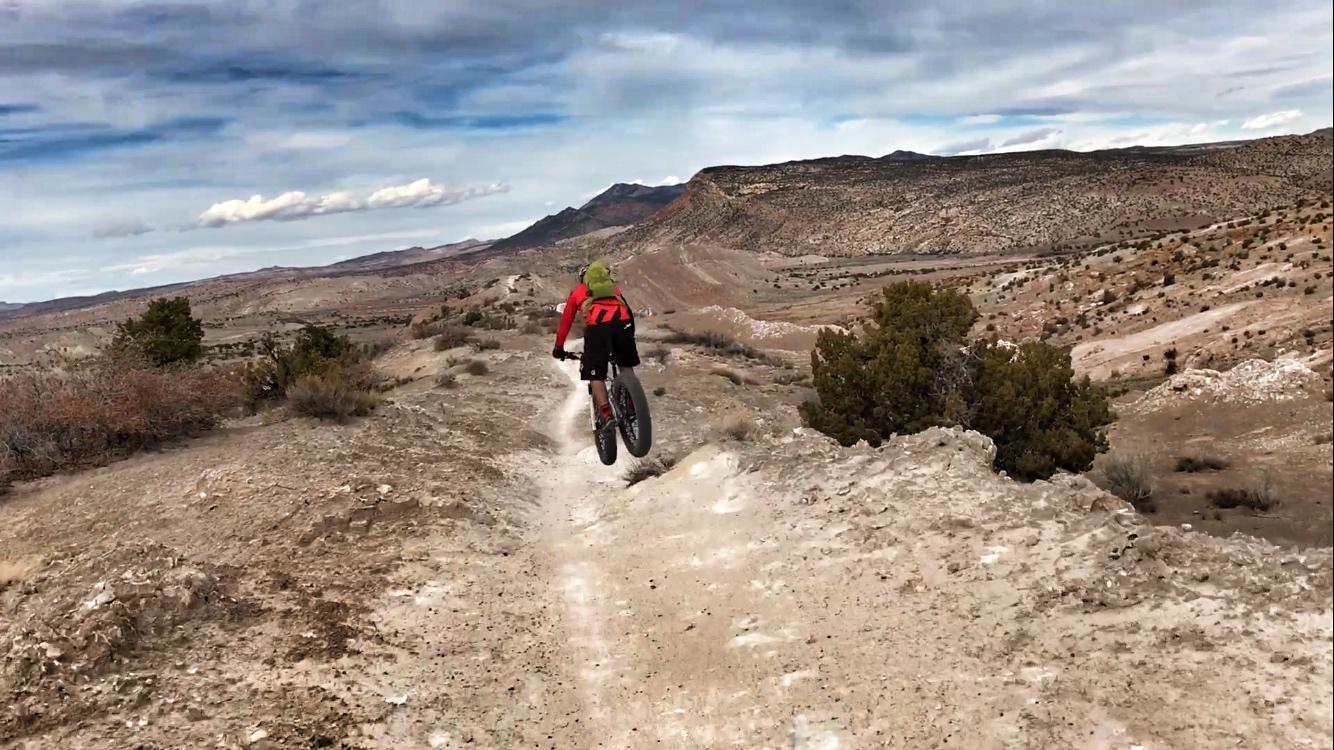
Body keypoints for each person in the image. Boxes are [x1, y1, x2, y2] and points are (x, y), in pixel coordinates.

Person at [552, 260, 640, 429]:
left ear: (583, 278)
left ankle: (607, 415)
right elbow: (628, 311)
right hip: (623, 325)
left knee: (595, 374)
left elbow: (566, 322)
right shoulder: (613, 289)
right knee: (626, 366)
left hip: (597, 330)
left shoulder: (578, 291)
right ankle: (631, 405)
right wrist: (630, 335)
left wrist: (558, 347)